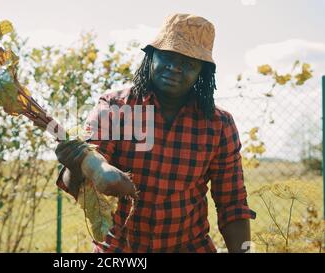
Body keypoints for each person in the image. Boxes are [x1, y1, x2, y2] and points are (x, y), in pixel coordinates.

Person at [55, 13, 256, 253]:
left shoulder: (219, 124)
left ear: (202, 72)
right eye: (167, 56)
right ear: (151, 56)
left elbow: (232, 204)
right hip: (120, 250)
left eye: (189, 63)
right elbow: (81, 182)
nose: (174, 68)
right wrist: (75, 163)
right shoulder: (115, 107)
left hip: (189, 247)